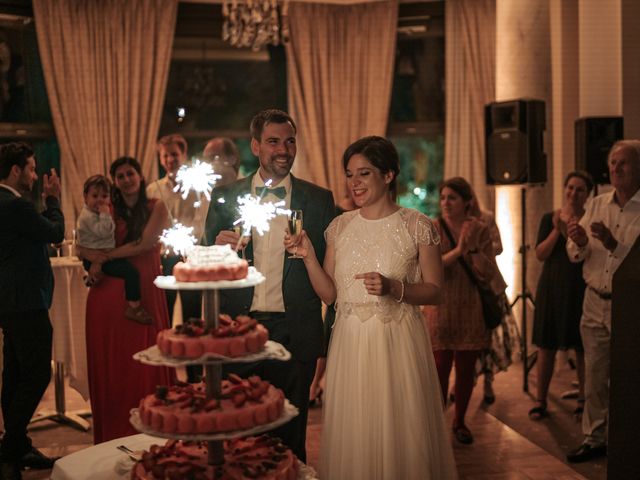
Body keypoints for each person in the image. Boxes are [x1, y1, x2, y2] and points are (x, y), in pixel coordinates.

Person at [285, 135, 457, 479]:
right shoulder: (340, 227)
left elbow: (437, 291)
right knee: (358, 427)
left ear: (389, 174)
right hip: (350, 340)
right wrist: (308, 258)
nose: (355, 183)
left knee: (401, 428)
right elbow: (331, 295)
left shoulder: (418, 225)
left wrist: (396, 287)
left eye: (364, 173)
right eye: (350, 174)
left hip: (397, 341)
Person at [204, 109, 335, 462]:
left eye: (290, 141)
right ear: (255, 146)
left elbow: (333, 269)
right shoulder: (224, 195)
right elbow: (200, 266)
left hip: (295, 333)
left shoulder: (320, 200)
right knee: (236, 436)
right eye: (274, 141)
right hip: (237, 331)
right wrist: (216, 250)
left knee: (289, 439)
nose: (283, 149)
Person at [80, 156, 173, 444]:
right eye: (119, 176)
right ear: (114, 182)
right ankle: (114, 434)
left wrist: (103, 257)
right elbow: (84, 242)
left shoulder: (156, 207)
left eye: (129, 173)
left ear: (139, 175)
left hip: (145, 287)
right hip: (107, 296)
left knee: (147, 361)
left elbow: (145, 243)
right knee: (115, 368)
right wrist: (92, 260)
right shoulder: (105, 209)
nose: (125, 179)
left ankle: (151, 435)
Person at [566, 140, 640, 463]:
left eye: (622, 163)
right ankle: (594, 438)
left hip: (630, 306)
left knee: (628, 375)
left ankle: (627, 439)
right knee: (595, 374)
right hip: (594, 300)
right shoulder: (596, 204)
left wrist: (613, 244)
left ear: (638, 168)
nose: (615, 168)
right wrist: (579, 242)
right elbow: (575, 253)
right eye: (612, 162)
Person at [0, 142, 64, 478]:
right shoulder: (15, 205)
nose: (36, 175)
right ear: (16, 170)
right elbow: (55, 233)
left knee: (14, 372)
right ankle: (10, 445)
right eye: (32, 168)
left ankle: (17, 443)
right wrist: (53, 200)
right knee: (37, 373)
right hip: (26, 301)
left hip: (9, 302)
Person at [423, 177, 500, 445]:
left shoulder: (479, 228)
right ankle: (437, 423)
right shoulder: (433, 228)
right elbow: (431, 268)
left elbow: (487, 272)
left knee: (466, 370)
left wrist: (475, 249)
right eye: (443, 197)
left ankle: (460, 422)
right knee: (440, 368)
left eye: (452, 198)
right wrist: (459, 251)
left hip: (470, 307)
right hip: (440, 307)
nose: (445, 203)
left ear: (466, 202)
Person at [529, 171, 593, 420]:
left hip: (580, 286)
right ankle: (540, 400)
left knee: (582, 346)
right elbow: (540, 254)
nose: (573, 194)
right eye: (570, 188)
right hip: (552, 286)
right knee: (546, 345)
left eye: (579, 189)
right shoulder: (549, 218)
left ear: (587, 194)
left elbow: (583, 251)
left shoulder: (591, 218)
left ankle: (583, 400)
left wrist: (569, 228)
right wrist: (557, 229)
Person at [76, 174, 152, 324]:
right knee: (131, 273)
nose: (100, 200)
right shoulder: (90, 216)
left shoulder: (96, 213)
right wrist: (105, 214)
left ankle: (92, 278)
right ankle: (134, 306)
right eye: (95, 196)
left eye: (104, 196)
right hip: (101, 257)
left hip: (105, 257)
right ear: (85, 197)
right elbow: (103, 232)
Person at [147, 134, 203, 325]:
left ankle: (193, 346)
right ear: (160, 159)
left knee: (192, 308)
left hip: (191, 255)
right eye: (165, 156)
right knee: (165, 307)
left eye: (174, 154)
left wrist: (190, 239)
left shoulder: (197, 186)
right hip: (163, 256)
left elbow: (201, 218)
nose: (170, 159)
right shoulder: (153, 190)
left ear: (183, 154)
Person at [465, 192, 513, 406]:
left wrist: (480, 246)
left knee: (488, 339)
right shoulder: (456, 222)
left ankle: (488, 383)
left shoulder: (487, 217)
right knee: (466, 340)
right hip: (466, 284)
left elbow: (500, 247)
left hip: (489, 284)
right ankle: (467, 382)